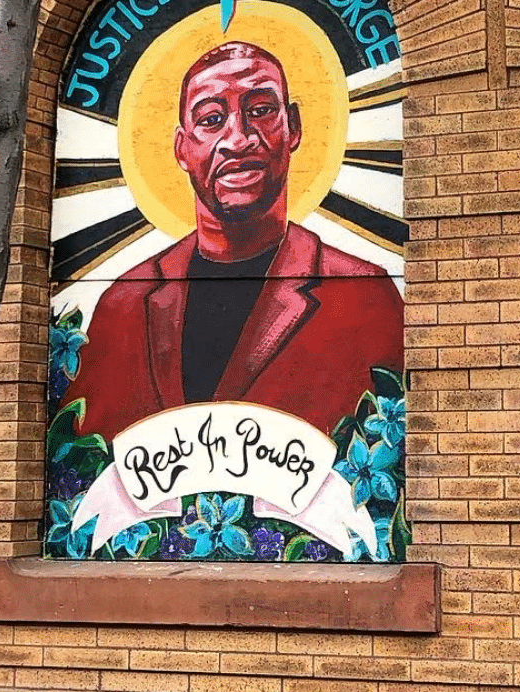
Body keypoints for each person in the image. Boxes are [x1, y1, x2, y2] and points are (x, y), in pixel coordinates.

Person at [60, 41, 404, 438]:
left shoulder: (362, 296)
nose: (238, 139)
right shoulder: (124, 305)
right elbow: (86, 460)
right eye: (211, 119)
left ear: (293, 127)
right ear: (182, 148)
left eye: (260, 111)